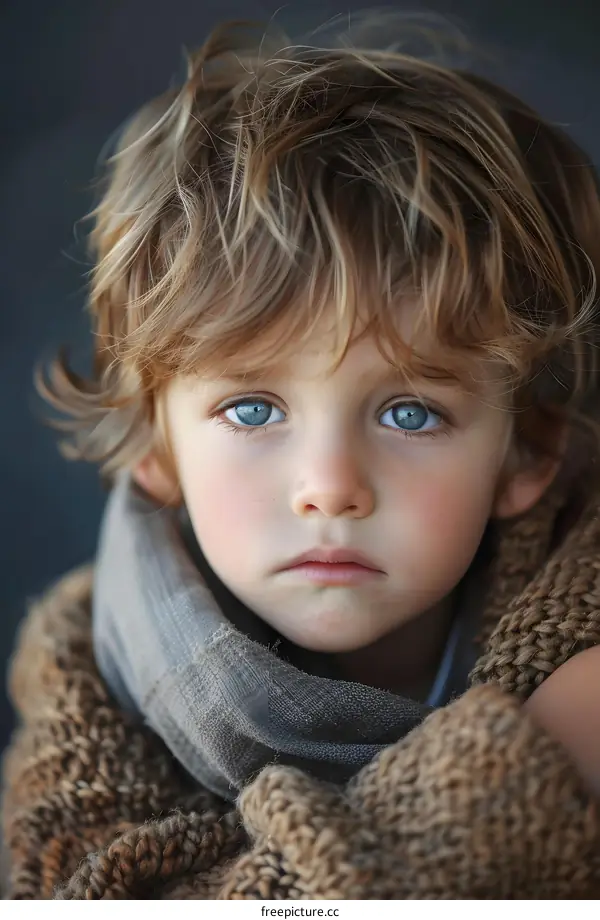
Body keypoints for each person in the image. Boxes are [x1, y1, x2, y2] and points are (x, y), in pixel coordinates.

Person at [3, 15, 600, 899]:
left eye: (409, 411)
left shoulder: (579, 626)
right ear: (155, 445)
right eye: (252, 408)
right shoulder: (87, 676)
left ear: (526, 455)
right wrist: (527, 774)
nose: (331, 488)